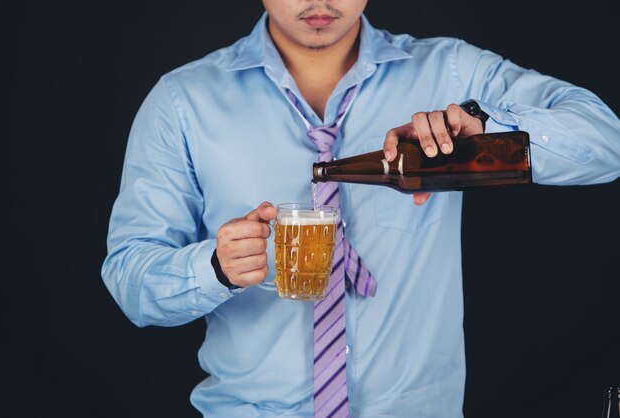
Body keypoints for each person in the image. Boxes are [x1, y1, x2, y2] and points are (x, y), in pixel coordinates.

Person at [101, 1, 620, 417]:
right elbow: (130, 278)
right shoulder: (182, 101)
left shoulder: (450, 71)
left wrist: (489, 131)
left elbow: (607, 143)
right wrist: (213, 267)